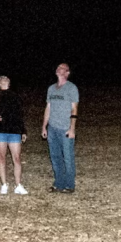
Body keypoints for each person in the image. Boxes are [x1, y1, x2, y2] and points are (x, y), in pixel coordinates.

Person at [0, 75, 28, 195]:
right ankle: (4, 184)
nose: (5, 78)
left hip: (14, 130)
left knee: (17, 158)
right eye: (2, 78)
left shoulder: (15, 96)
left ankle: (18, 185)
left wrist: (23, 131)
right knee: (2, 158)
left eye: (6, 78)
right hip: (0, 130)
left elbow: (20, 114)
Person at [41, 62, 79, 193]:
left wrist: (72, 128)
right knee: (55, 156)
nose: (59, 69)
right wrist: (44, 127)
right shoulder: (51, 89)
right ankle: (59, 184)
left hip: (65, 128)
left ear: (67, 73)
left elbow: (74, 109)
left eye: (62, 68)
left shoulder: (71, 88)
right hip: (53, 128)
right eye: (58, 67)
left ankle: (69, 185)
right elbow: (48, 107)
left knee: (68, 157)